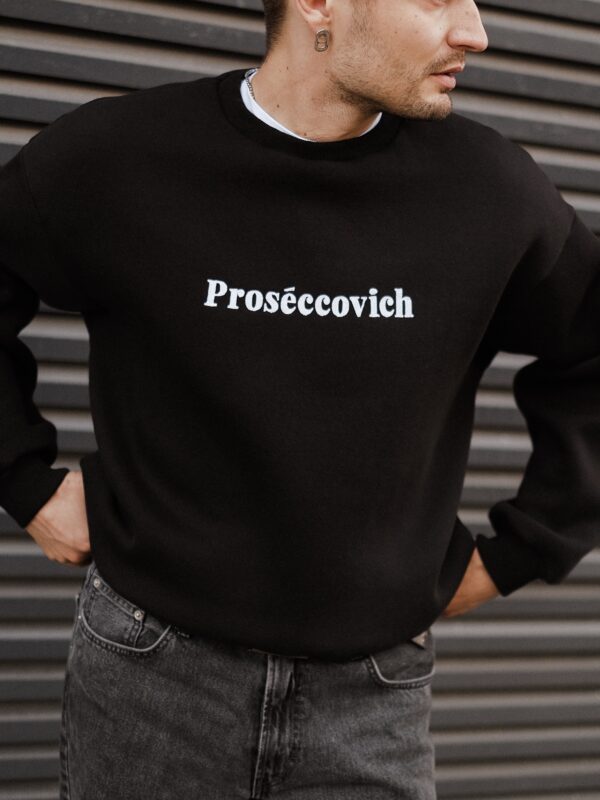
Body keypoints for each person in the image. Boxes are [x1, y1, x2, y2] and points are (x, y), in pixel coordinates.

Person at [0, 0, 598, 796]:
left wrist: (521, 550)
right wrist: (24, 481)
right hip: (150, 680)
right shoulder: (122, 157)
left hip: (372, 702)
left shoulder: (489, 192)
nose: (475, 31)